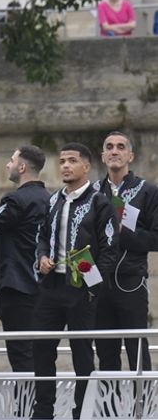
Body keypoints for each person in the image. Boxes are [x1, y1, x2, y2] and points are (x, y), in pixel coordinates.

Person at [32, 142, 119, 420]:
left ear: (86, 166)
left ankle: (81, 412)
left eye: (72, 161)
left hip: (80, 291)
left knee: (82, 354)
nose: (66, 166)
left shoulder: (100, 201)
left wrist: (93, 285)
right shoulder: (53, 199)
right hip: (51, 288)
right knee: (42, 349)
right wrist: (42, 258)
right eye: (62, 161)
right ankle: (43, 411)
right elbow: (42, 236)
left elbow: (109, 249)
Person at [94, 132, 158, 372]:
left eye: (120, 147)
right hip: (99, 282)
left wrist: (123, 232)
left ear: (130, 155)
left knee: (137, 350)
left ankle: (143, 407)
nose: (114, 151)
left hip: (131, 281)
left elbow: (156, 238)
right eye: (109, 147)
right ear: (102, 156)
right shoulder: (92, 192)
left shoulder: (147, 191)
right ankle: (111, 409)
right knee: (105, 353)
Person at [0, 146, 49, 372]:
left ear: (22, 167)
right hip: (43, 287)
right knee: (39, 354)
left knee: (21, 355)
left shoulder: (15, 200)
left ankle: (25, 407)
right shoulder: (49, 199)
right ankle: (40, 406)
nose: (7, 165)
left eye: (11, 161)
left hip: (17, 286)